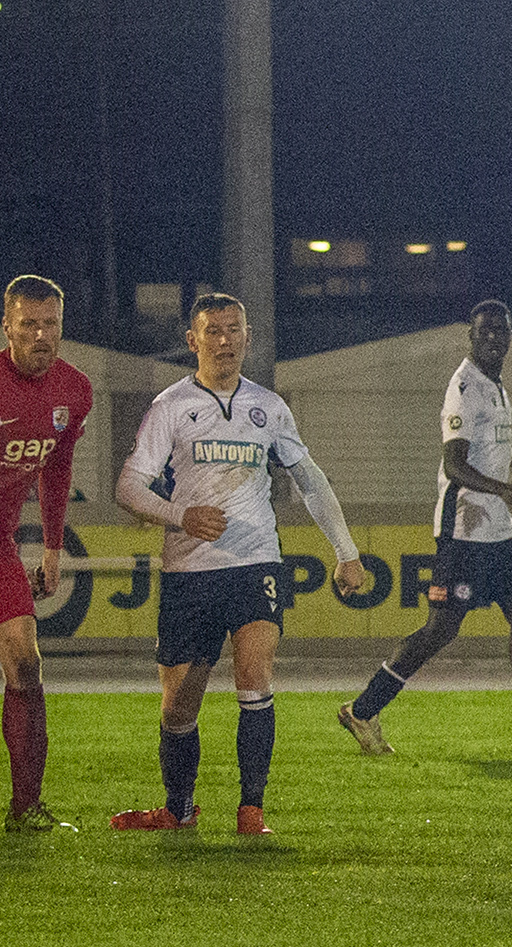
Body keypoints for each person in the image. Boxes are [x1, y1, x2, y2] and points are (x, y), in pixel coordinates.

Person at [110, 293, 366, 834]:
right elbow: (129, 486)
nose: (225, 340)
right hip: (189, 574)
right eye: (213, 331)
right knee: (178, 710)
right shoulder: (171, 406)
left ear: (247, 337)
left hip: (255, 565)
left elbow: (310, 480)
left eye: (234, 330)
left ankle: (252, 810)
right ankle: (178, 811)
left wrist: (346, 552)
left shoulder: (269, 407)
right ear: (192, 341)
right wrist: (180, 516)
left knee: (255, 675)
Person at [339, 301, 512, 756]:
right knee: (441, 629)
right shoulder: (464, 387)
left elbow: (491, 445)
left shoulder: (494, 385)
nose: (494, 339)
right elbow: (455, 464)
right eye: (485, 332)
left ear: (510, 334)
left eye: (501, 331)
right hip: (463, 531)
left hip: (499, 530)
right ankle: (363, 710)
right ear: (471, 335)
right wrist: (505, 488)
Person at [0, 276, 93, 834]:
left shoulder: (74, 391)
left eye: (50, 324)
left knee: (26, 663)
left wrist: (54, 546)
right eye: (28, 324)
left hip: (1, 544)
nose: (40, 335)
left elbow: (55, 468)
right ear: (7, 327)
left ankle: (25, 807)